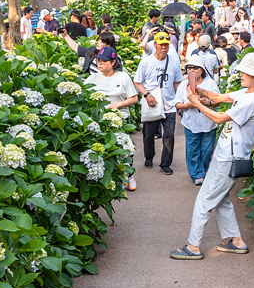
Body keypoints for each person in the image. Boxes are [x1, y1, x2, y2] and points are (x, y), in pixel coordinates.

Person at [169, 51, 254, 260]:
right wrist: (198, 90)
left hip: (229, 157)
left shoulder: (252, 100)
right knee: (222, 199)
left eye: (246, 72)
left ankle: (193, 247)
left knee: (204, 200)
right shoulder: (248, 92)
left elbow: (219, 118)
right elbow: (219, 98)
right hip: (227, 153)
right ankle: (237, 241)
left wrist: (194, 102)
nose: (241, 73)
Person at [87, 46, 139, 191]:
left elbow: (134, 98)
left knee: (125, 148)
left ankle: (129, 174)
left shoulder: (122, 77)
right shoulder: (93, 78)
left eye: (103, 61)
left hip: (121, 119)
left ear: (113, 62)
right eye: (98, 61)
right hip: (100, 121)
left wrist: (117, 105)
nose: (100, 63)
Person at [133, 31, 182, 175]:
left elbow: (177, 82)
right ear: (154, 45)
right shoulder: (146, 62)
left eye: (166, 45)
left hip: (169, 105)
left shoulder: (174, 61)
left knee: (169, 135)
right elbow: (137, 82)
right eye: (161, 45)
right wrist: (147, 95)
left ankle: (165, 163)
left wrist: (178, 100)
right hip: (152, 104)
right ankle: (149, 157)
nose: (164, 48)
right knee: (148, 134)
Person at [174, 61, 220, 186]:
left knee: (207, 149)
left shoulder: (210, 84)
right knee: (193, 150)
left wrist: (207, 103)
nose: (193, 70)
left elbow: (218, 101)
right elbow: (177, 104)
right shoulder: (184, 85)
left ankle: (204, 169)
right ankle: (196, 174)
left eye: (196, 67)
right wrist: (187, 105)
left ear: (202, 70)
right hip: (191, 122)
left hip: (208, 122)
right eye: (190, 68)